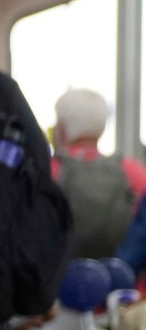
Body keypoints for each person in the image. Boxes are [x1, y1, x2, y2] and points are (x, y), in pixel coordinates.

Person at [52, 89, 144, 261]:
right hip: (120, 279)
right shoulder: (132, 171)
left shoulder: (50, 170)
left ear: (61, 128)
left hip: (62, 280)